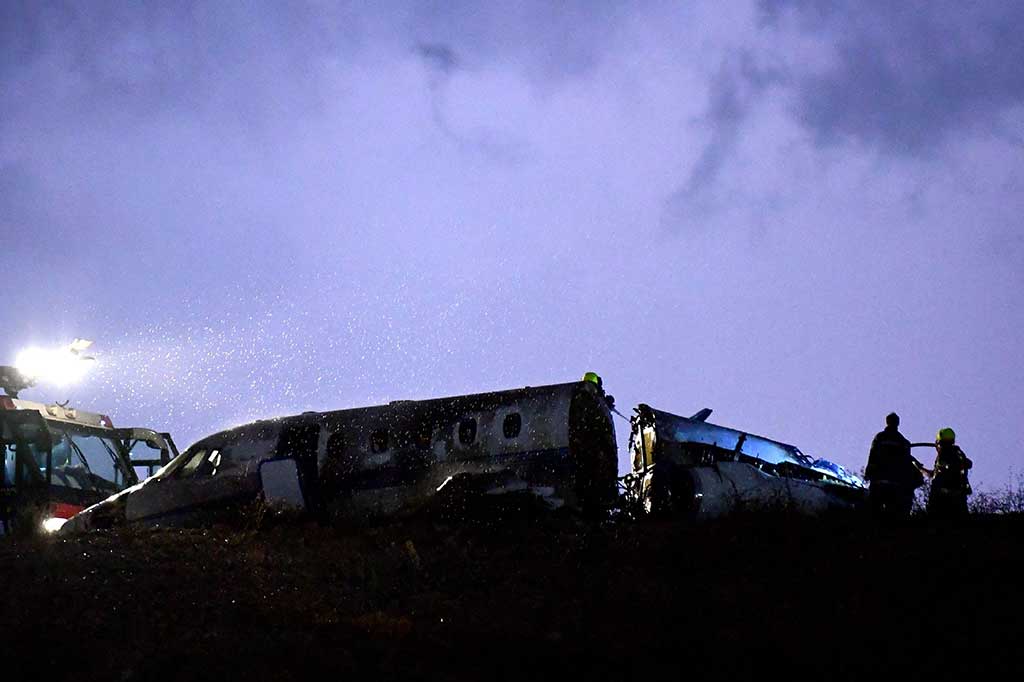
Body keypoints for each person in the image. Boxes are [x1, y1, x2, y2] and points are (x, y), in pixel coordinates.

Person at [864, 412, 926, 518]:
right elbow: (906, 461)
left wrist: (868, 473)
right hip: (895, 484)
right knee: (893, 514)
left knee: (873, 512)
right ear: (898, 423)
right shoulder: (903, 441)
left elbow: (872, 456)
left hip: (879, 482)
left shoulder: (880, 438)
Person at [927, 427, 972, 519]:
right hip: (958, 496)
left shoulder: (946, 454)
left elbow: (945, 471)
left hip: (944, 497)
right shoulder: (958, 454)